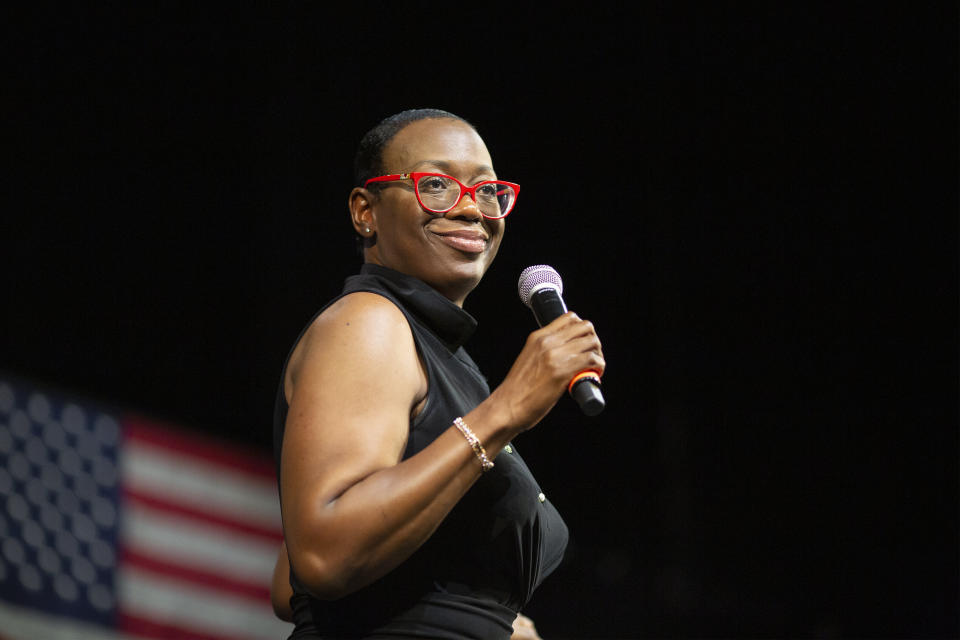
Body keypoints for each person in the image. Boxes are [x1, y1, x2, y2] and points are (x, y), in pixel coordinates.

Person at [272, 108, 604, 639]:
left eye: (489, 190)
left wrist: (494, 622)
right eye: (436, 184)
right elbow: (321, 556)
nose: (473, 208)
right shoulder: (369, 324)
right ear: (365, 211)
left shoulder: (440, 355)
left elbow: (288, 585)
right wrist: (507, 411)